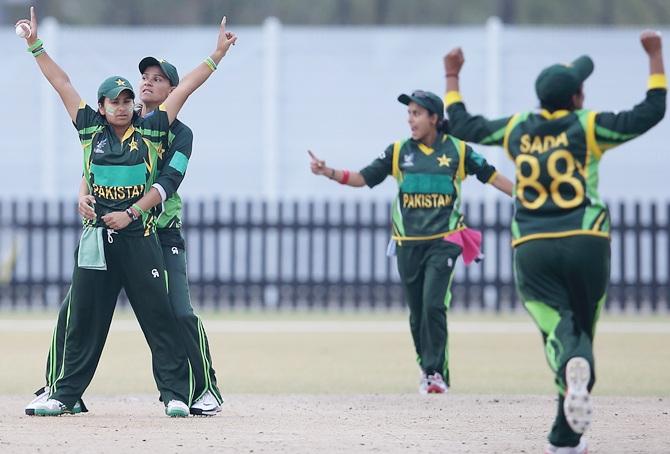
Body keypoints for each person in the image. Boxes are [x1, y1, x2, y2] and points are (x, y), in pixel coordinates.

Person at [443, 30, 666, 453]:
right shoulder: (588, 125)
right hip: (586, 240)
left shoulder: (517, 129)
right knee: (580, 331)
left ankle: (566, 432)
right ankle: (567, 431)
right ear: (578, 98)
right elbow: (651, 111)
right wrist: (655, 56)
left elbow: (464, 125)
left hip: (533, 244)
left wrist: (451, 76)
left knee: (559, 331)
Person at [15, 6, 237, 417]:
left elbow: (166, 183)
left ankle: (197, 390)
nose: (145, 87)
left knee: (175, 312)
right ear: (104, 106)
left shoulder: (169, 131)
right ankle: (60, 390)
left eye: (156, 81)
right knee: (75, 312)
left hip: (156, 232)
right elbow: (88, 147)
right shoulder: (103, 127)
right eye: (144, 79)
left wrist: (217, 55)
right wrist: (83, 193)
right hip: (103, 235)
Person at [308, 90, 513, 394]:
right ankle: (426, 368)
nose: (410, 120)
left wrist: (530, 197)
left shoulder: (458, 151)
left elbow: (493, 177)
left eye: (417, 114)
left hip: (445, 239)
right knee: (417, 311)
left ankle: (435, 374)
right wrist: (328, 172)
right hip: (407, 242)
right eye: (409, 114)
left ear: (434, 118)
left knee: (433, 304)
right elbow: (364, 178)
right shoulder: (398, 151)